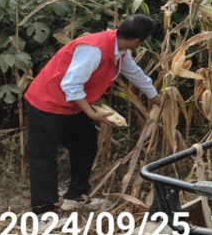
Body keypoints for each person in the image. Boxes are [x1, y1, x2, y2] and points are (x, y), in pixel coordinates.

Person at [23, 14, 162, 219]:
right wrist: (90, 112)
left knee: (85, 146)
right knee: (44, 157)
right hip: (46, 102)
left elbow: (135, 73)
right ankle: (43, 210)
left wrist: (156, 97)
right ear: (136, 41)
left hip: (72, 105)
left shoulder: (119, 49)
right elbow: (70, 84)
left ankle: (75, 195)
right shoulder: (94, 49)